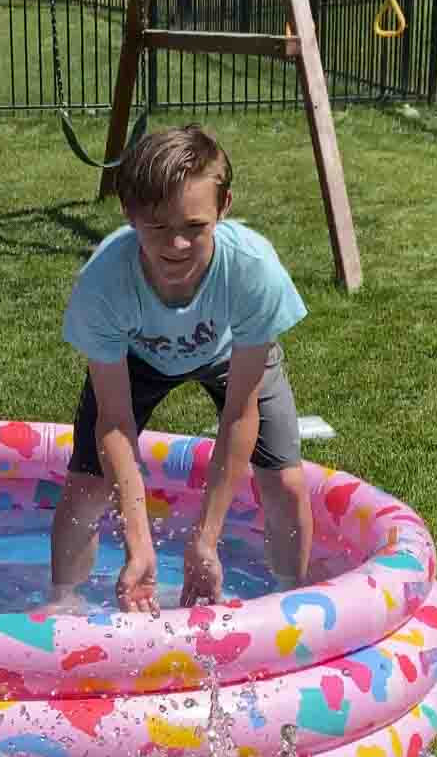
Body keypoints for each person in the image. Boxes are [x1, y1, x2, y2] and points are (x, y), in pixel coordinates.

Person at [49, 124, 312, 613]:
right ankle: (64, 606)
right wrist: (138, 541)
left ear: (223, 207)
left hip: (231, 352)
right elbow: (114, 421)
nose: (176, 245)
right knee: (86, 486)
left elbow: (239, 413)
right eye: (157, 227)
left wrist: (206, 539)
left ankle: (290, 603)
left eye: (195, 226)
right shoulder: (104, 283)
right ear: (129, 214)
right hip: (137, 356)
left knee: (286, 483)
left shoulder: (253, 269)